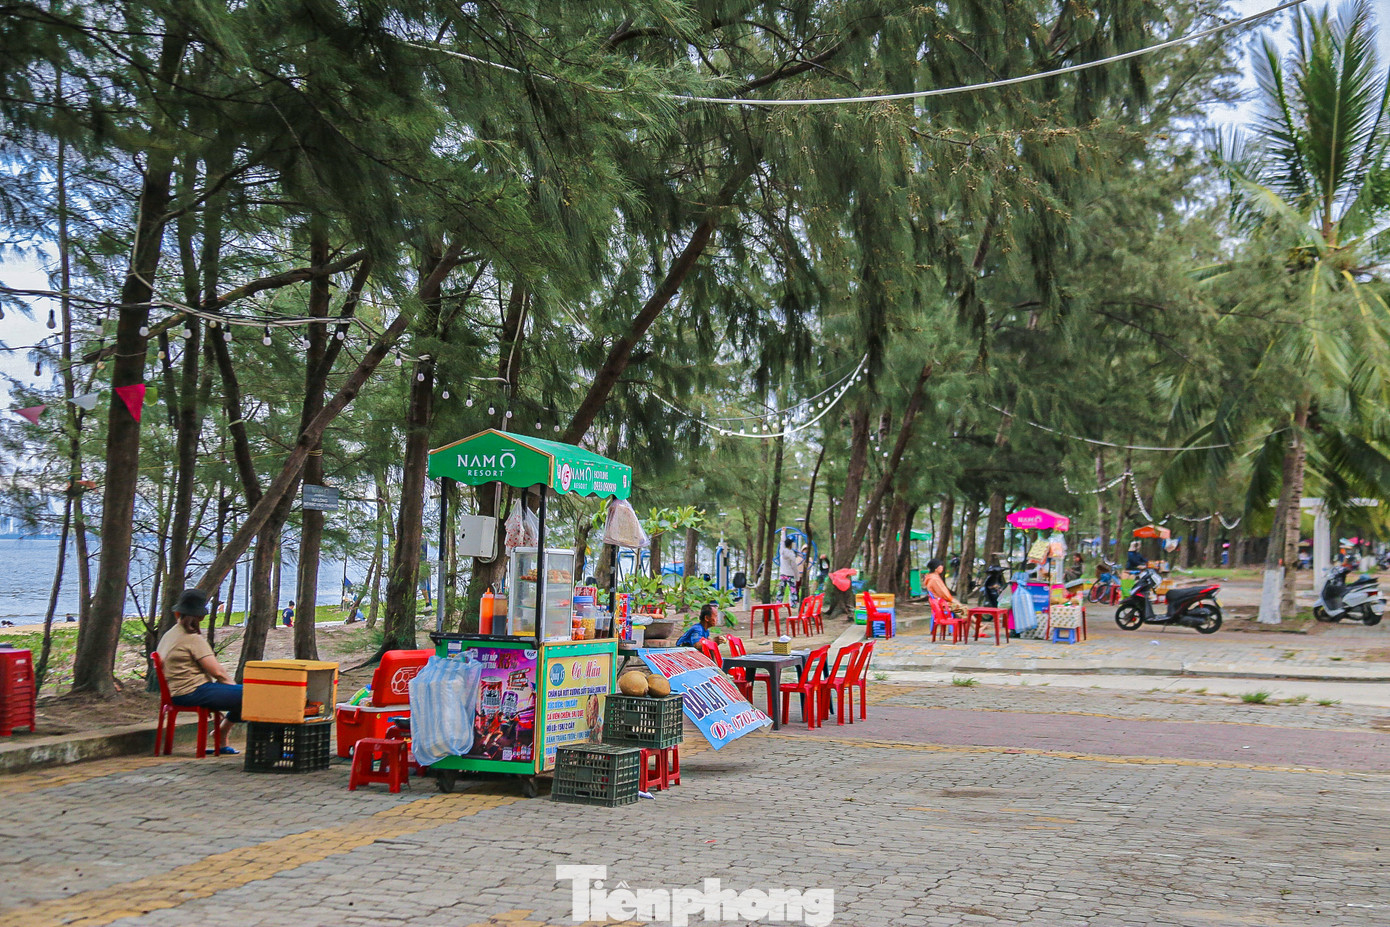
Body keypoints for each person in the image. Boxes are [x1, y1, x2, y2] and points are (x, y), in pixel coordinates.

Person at [156, 588, 241, 754]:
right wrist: (233, 691)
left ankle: (221, 734)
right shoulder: (192, 639)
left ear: (177, 613)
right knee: (254, 696)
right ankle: (222, 733)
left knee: (244, 695)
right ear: (202, 616)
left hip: (176, 692)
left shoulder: (170, 634)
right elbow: (218, 673)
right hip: (193, 692)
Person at [776, 537, 804, 604]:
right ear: (791, 545)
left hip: (783, 574)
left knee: (781, 589)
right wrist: (797, 577)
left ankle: (778, 602)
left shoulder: (782, 552)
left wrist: (783, 532)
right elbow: (794, 566)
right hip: (790, 575)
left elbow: (782, 542)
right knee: (793, 590)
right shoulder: (791, 554)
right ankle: (793, 603)